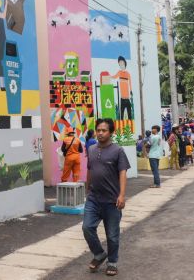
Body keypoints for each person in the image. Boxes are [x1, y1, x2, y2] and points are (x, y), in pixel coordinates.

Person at [84, 118, 131, 276]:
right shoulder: (91, 149)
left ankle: (112, 262)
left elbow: (123, 172)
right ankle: (99, 254)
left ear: (111, 132)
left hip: (112, 201)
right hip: (94, 198)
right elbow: (90, 169)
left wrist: (122, 195)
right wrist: (87, 188)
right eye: (98, 130)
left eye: (104, 130)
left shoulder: (118, 151)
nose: (100, 133)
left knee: (112, 235)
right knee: (87, 227)